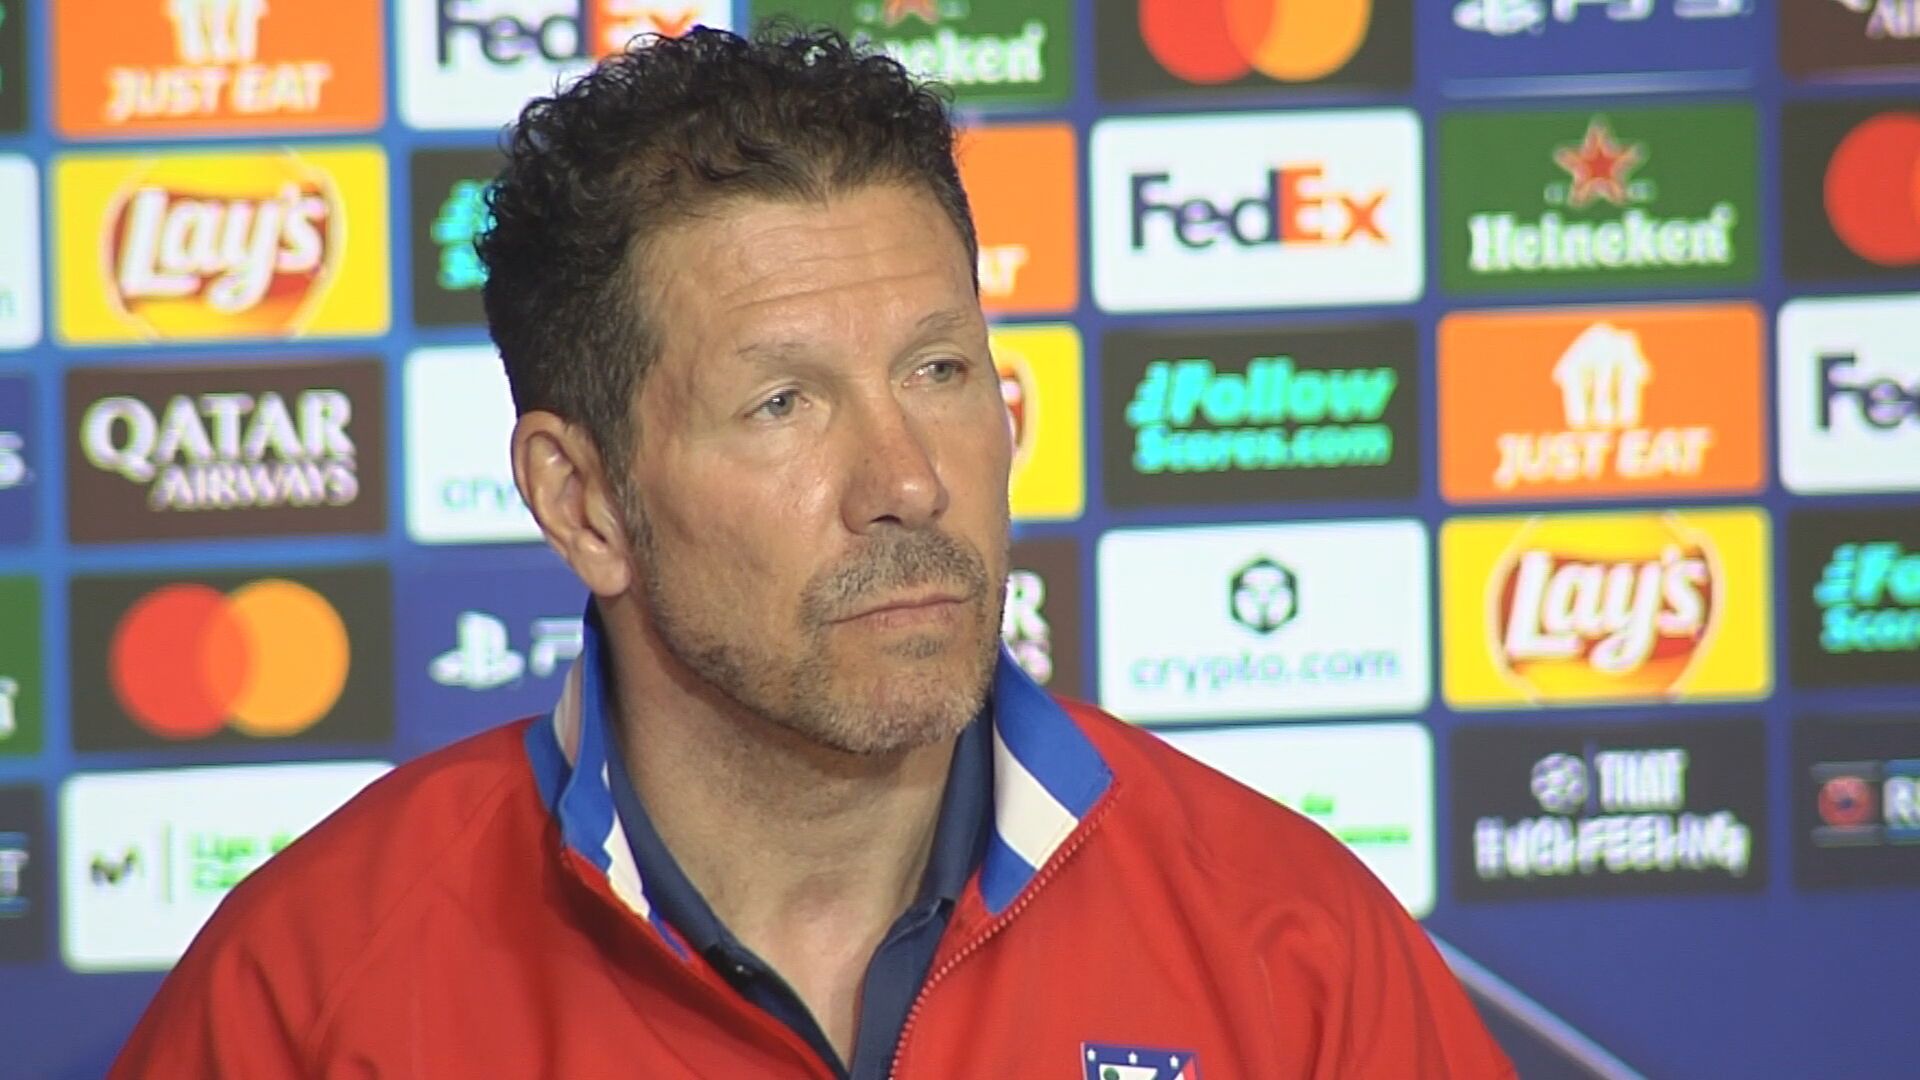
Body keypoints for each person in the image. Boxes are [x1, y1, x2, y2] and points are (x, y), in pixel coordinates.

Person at [111, 26, 1514, 1079]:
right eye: (784, 403)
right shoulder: (316, 993)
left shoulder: (1290, 947)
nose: (907, 481)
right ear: (581, 502)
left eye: (940, 371)